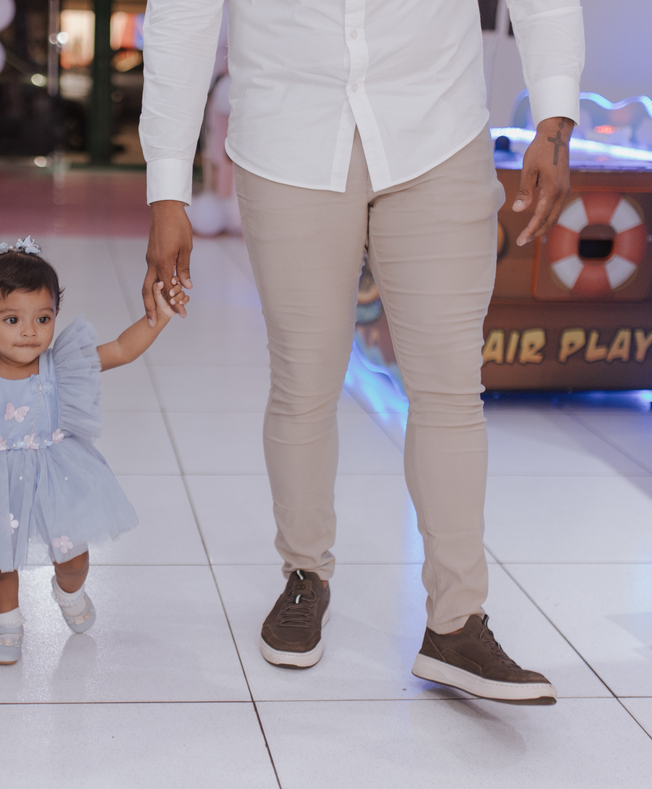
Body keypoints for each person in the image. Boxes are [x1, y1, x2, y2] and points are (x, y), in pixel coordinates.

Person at [140, 0, 584, 703]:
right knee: (305, 382)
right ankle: (304, 575)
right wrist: (167, 188)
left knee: (449, 390)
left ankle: (457, 624)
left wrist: (554, 124)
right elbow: (181, 17)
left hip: (436, 130)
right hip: (289, 140)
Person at [0, 232, 184, 664]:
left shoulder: (62, 365)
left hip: (56, 474)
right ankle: (7, 624)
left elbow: (122, 350)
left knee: (72, 556)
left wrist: (160, 316)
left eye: (43, 318)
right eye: (11, 320)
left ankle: (68, 591)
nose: (30, 332)